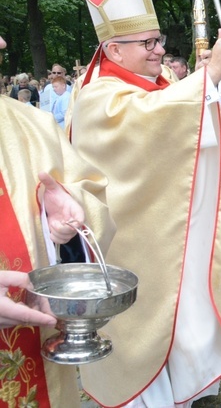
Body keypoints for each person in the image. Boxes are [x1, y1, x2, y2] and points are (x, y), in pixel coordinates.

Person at [70, 0, 221, 407]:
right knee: (144, 342)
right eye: (146, 43)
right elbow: (143, 126)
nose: (157, 51)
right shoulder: (97, 96)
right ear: (113, 51)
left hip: (181, 239)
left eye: (158, 41)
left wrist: (208, 92)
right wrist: (205, 80)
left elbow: (207, 134)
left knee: (186, 325)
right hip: (138, 245)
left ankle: (188, 388)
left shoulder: (164, 83)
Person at [0, 46, 115, 405]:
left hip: (37, 352)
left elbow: (87, 189)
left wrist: (63, 217)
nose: (3, 43)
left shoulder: (32, 125)